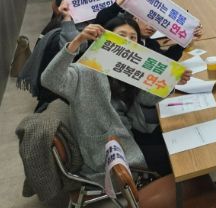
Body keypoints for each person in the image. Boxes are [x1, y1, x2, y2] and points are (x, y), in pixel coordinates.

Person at [40, 17, 192, 180]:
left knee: (181, 138)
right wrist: (77, 41)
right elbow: (50, 80)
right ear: (107, 38)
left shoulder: (129, 68)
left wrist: (171, 82)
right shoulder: (86, 70)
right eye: (121, 35)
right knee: (179, 157)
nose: (127, 41)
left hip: (131, 131)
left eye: (133, 37)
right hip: (110, 147)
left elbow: (146, 99)